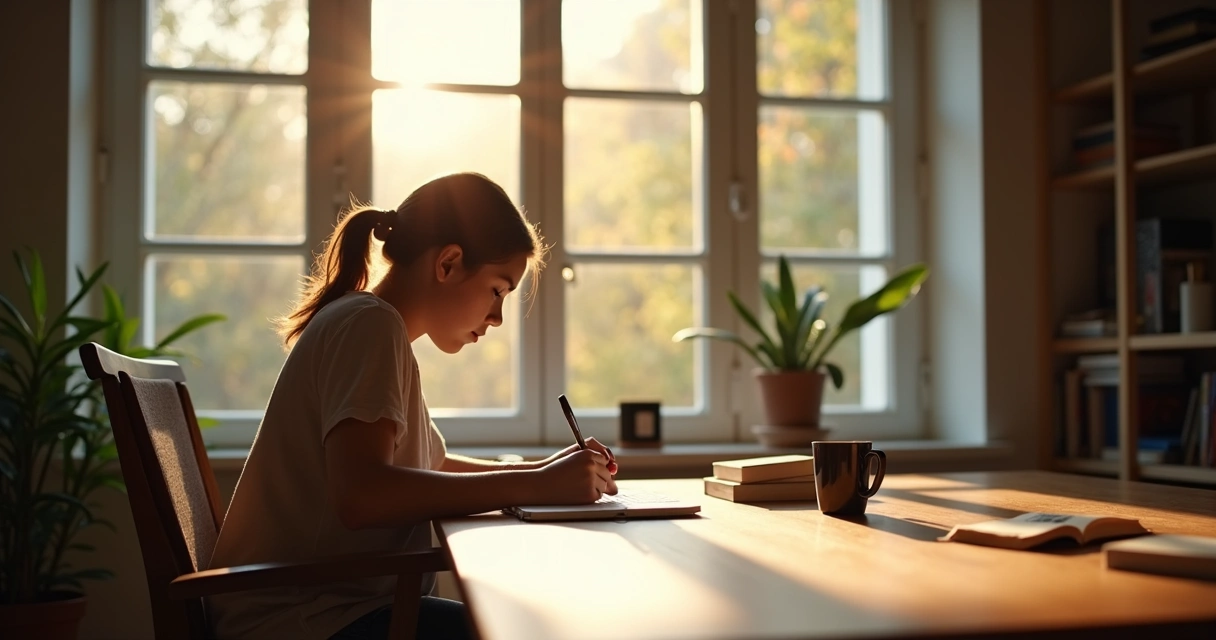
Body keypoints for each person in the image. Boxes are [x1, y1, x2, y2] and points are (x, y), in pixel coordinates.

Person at [207, 172, 619, 640]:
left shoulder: (378, 328)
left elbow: (433, 465)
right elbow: (364, 495)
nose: (498, 317)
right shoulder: (369, 327)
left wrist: (544, 472)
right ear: (448, 263)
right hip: (304, 621)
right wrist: (534, 483)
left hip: (326, 609)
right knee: (528, 628)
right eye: (498, 290)